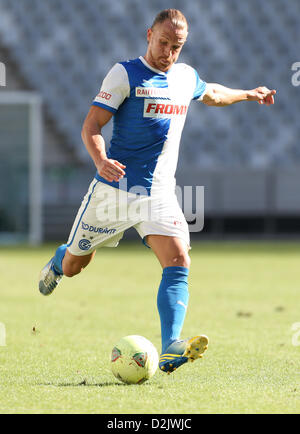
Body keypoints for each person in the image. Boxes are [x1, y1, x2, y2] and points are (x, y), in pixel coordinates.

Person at [39, 9, 276, 374]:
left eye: (175, 46)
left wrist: (247, 94)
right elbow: (92, 125)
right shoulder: (125, 74)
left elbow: (211, 93)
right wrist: (100, 159)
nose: (167, 52)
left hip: (159, 194)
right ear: (149, 34)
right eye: (162, 42)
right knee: (75, 265)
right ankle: (60, 258)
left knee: (179, 259)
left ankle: (170, 346)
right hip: (114, 190)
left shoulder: (185, 77)